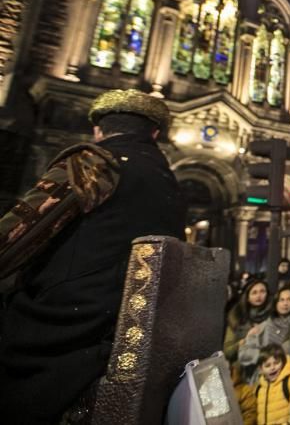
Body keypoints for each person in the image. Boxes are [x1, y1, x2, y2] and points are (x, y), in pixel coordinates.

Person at [0, 90, 184, 423]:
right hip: (132, 335)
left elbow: (20, 230)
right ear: (154, 133)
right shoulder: (168, 180)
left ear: (98, 129)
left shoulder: (95, 162)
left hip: (61, 335)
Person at [254, 344, 290, 425]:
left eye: (276, 363)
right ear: (261, 369)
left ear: (283, 362)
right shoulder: (259, 388)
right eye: (267, 365)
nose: (272, 368)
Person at [224, 278, 271, 364]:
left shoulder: (274, 313)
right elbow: (227, 352)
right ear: (247, 297)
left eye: (262, 291)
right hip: (245, 364)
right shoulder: (236, 316)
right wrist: (246, 339)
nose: (259, 296)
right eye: (254, 293)